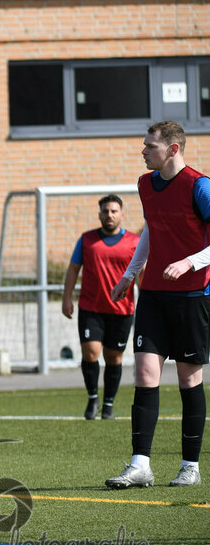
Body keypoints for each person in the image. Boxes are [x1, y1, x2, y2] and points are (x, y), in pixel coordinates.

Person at [106, 121, 208, 489]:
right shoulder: (145, 184)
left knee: (187, 379)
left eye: (150, 146)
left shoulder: (199, 186)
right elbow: (152, 228)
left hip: (193, 297)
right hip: (153, 296)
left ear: (173, 149)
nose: (143, 151)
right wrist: (130, 274)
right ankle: (140, 465)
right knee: (146, 374)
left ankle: (190, 466)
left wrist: (191, 262)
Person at [61, 195, 140, 421]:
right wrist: (66, 298)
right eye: (105, 211)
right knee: (91, 353)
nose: (109, 215)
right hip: (91, 308)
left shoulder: (135, 242)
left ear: (121, 214)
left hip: (122, 310)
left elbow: (143, 275)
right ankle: (93, 398)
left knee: (114, 358)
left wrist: (147, 302)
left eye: (114, 211)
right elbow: (73, 269)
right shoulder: (87, 240)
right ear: (100, 215)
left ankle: (108, 405)